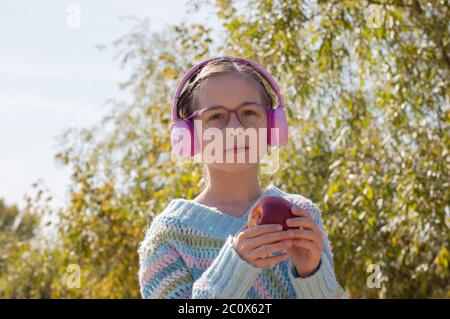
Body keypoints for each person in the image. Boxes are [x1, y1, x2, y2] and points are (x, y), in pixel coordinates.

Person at [138, 56, 346, 299]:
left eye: (248, 112)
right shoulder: (168, 235)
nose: (235, 128)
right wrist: (234, 268)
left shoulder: (301, 215)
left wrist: (313, 274)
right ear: (188, 135)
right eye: (215, 116)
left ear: (271, 126)